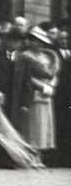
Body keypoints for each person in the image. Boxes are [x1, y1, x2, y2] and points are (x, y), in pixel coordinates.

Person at [11, 25, 60, 164]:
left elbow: (54, 74)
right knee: (33, 127)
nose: (38, 44)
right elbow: (24, 77)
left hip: (47, 95)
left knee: (44, 127)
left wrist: (51, 85)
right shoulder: (24, 56)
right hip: (33, 93)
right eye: (35, 40)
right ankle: (31, 157)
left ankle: (39, 156)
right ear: (29, 41)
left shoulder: (48, 56)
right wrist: (42, 86)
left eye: (40, 41)